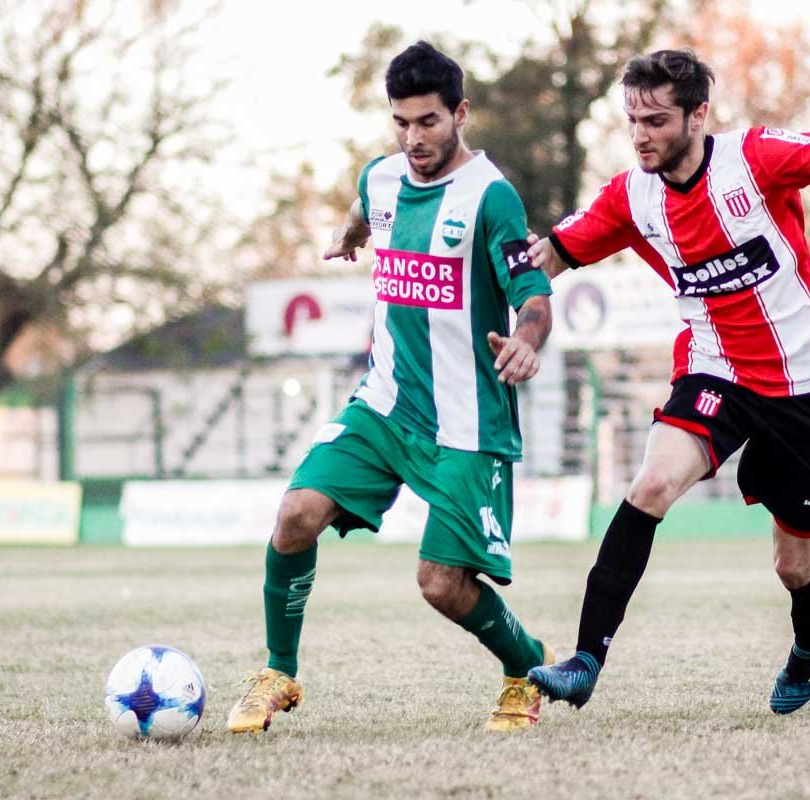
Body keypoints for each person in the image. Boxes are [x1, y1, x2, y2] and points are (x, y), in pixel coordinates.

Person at [524, 49, 810, 715]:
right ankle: (585, 659)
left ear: (698, 116)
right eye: (633, 120)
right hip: (714, 368)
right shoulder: (631, 195)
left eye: (657, 120)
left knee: (793, 564)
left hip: (806, 383)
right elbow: (548, 256)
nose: (641, 135)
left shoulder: (756, 158)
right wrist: (495, 276)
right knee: (650, 485)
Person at [228, 41, 556, 734]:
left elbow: (532, 291)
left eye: (428, 121)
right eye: (401, 122)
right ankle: (279, 671)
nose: (414, 138)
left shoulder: (490, 197)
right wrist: (350, 236)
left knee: (441, 585)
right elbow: (366, 207)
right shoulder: (381, 178)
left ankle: (527, 665)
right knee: (295, 515)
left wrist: (527, 340)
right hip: (385, 403)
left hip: (466, 422)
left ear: (460, 113)